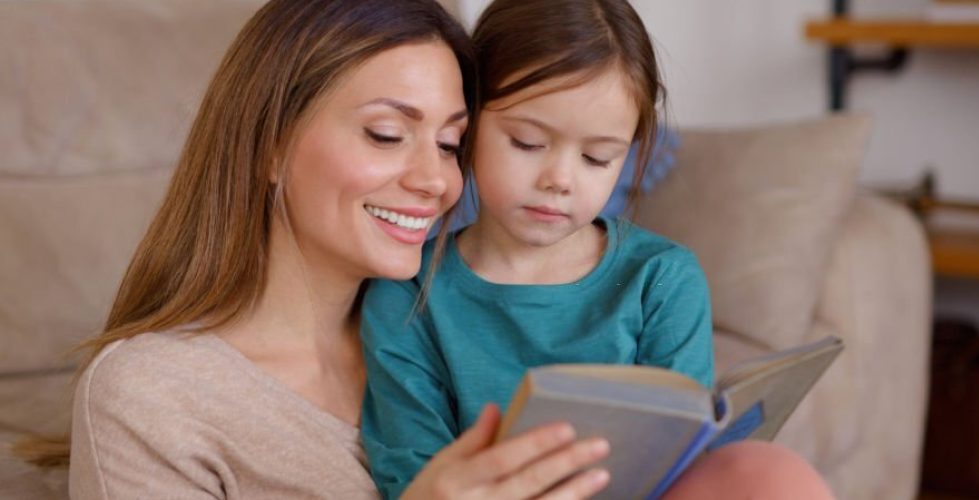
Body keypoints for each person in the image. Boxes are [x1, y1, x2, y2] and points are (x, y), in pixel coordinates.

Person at [20, 1, 613, 498]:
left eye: (450, 143)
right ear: (270, 144)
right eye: (386, 134)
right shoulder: (153, 396)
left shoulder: (454, 336)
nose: (436, 179)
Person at [360, 0, 836, 499]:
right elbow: (414, 476)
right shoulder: (410, 292)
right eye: (526, 142)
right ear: (469, 121)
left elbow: (686, 458)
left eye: (596, 157)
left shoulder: (659, 278)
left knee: (770, 471)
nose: (560, 180)